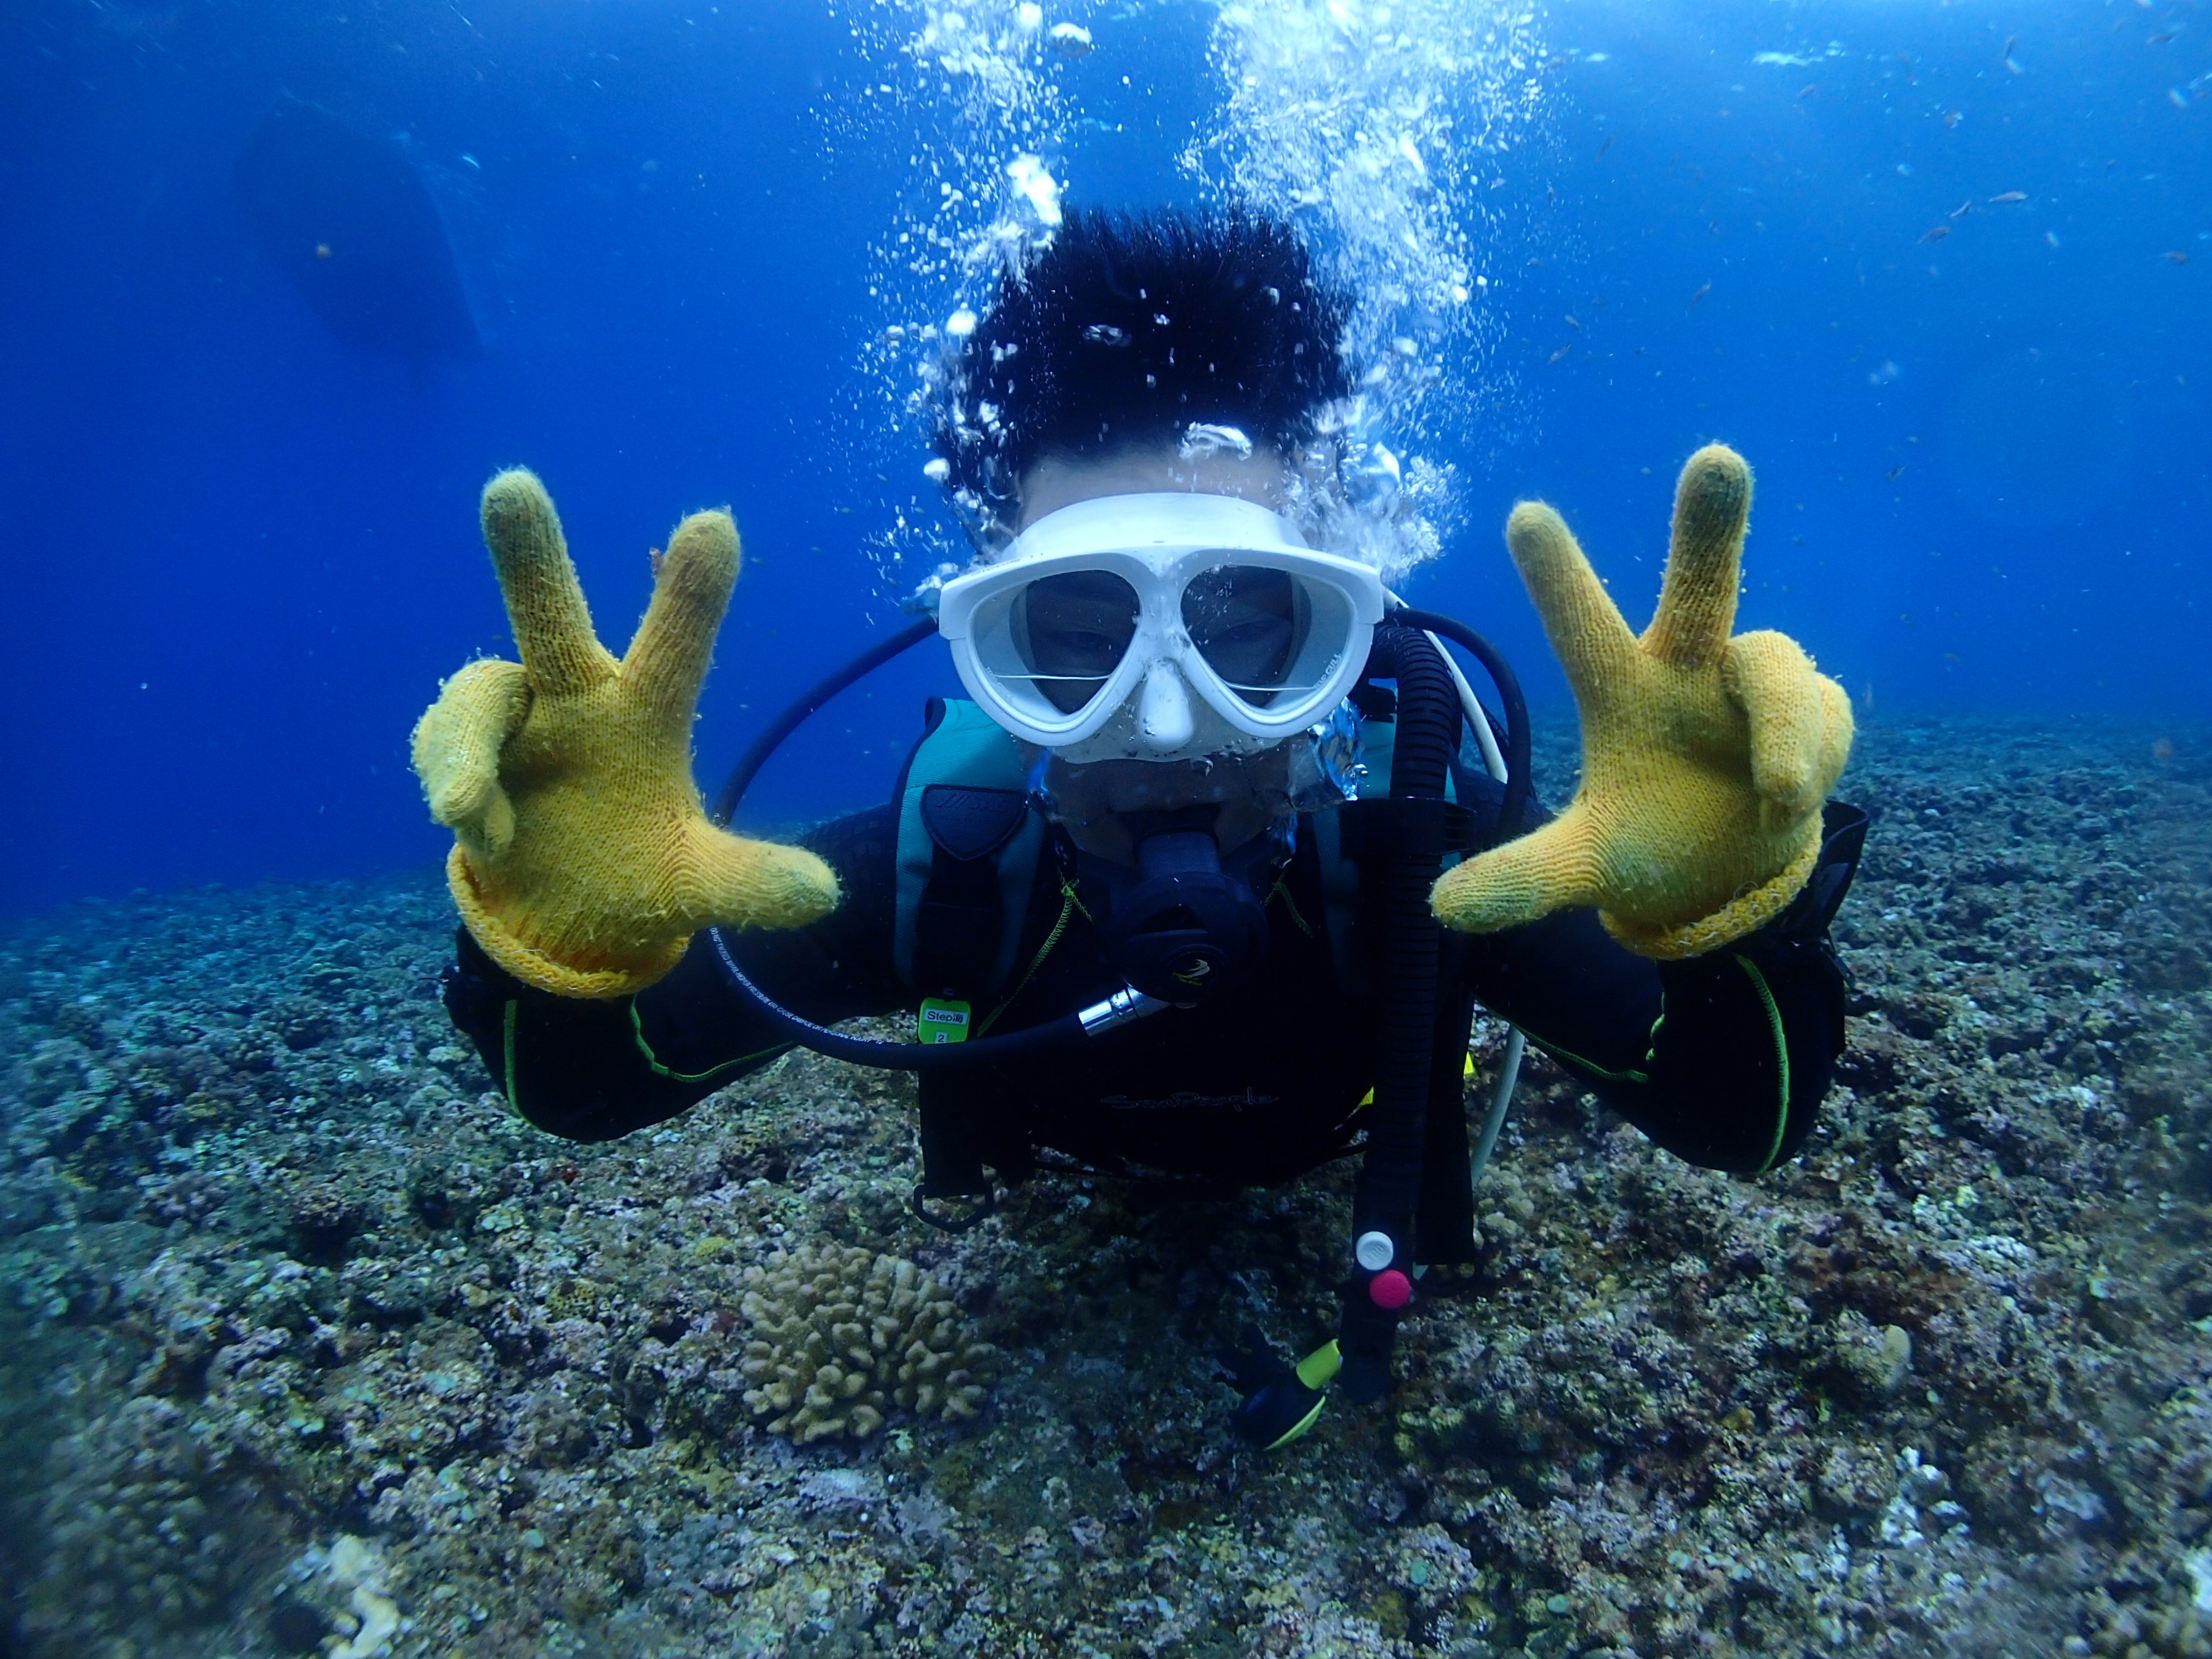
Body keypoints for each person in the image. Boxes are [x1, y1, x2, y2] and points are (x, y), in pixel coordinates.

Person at [412, 209, 1863, 1443]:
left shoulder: (1423, 857)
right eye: (1075, 634)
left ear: (1344, 631)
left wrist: (1729, 916)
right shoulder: (948, 866)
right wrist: (546, 929)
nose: (1165, 726)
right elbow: (591, 1091)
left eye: (1248, 628)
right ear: (987, 635)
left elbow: (1743, 1117)